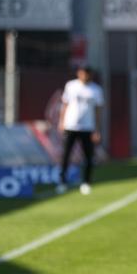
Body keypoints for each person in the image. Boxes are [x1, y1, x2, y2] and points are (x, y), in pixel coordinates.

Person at [57, 65, 104, 195]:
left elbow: (97, 111)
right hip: (70, 126)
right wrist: (61, 122)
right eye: (82, 73)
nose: (85, 76)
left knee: (88, 157)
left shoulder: (96, 90)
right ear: (79, 73)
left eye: (87, 73)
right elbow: (65, 104)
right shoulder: (71, 86)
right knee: (66, 155)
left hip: (88, 128)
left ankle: (86, 183)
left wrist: (97, 129)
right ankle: (62, 181)